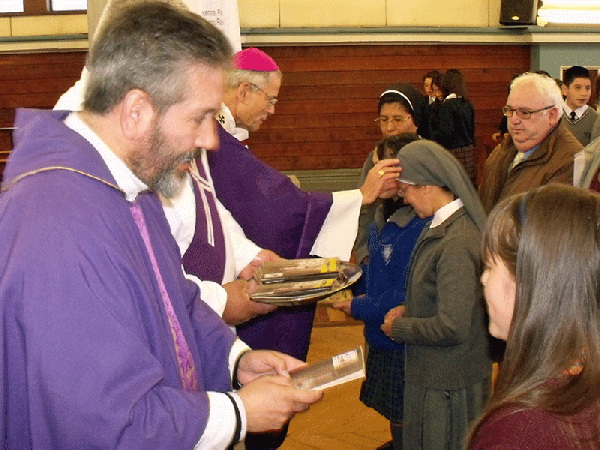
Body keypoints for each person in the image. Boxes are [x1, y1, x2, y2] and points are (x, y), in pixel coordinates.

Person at [0, 3, 324, 448]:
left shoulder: (130, 186)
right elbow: (105, 424)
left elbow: (175, 301)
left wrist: (234, 361)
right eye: (199, 117)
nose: (210, 140)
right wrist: (238, 413)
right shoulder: (57, 225)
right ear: (136, 111)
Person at [467, 185, 600, 449]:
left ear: (530, 284)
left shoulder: (520, 432)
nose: (482, 279)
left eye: (490, 267)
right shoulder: (582, 380)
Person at [380, 139, 492, 450]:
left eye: (406, 191)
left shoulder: (456, 241)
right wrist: (409, 307)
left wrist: (400, 328)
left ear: (427, 186)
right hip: (437, 376)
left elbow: (452, 326)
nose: (405, 199)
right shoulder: (443, 227)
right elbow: (444, 295)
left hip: (447, 384)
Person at [335, 133, 427, 450]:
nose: (375, 174)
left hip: (400, 341)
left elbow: (405, 294)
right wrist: (352, 284)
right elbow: (378, 271)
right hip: (379, 334)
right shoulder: (382, 214)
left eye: (384, 167)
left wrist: (357, 307)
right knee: (394, 410)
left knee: (405, 411)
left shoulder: (417, 225)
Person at [478, 72, 582, 214]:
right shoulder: (503, 149)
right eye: (510, 110)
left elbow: (545, 223)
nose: (514, 120)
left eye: (525, 112)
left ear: (552, 115)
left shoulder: (570, 161)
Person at [354, 84, 429, 269]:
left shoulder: (430, 157)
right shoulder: (374, 159)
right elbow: (364, 211)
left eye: (397, 119)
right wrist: (363, 255)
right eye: (384, 120)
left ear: (416, 120)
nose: (389, 128)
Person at [430, 69, 477, 184]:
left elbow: (446, 134)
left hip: (454, 153)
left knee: (454, 187)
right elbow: (471, 129)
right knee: (468, 185)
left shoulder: (447, 105)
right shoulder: (467, 103)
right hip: (469, 151)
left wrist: (431, 135)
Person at [561, 65, 599, 146]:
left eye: (587, 88)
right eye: (578, 88)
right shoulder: (553, 115)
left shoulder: (596, 119)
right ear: (565, 90)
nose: (584, 93)